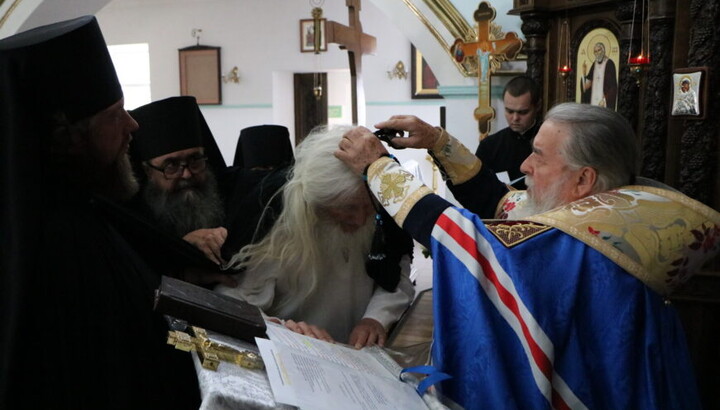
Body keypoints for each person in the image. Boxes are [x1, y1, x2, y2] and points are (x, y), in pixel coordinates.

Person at [334, 103, 720, 408]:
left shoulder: (580, 247)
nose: (523, 166)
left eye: (538, 156)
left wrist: (377, 167)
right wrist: (437, 140)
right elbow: (500, 201)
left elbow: (465, 241)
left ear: (583, 179)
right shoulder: (602, 212)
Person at [0, 16, 200, 408]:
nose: (132, 124)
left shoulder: (86, 212)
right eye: (115, 114)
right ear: (69, 136)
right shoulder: (56, 246)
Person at [217, 126, 415, 348]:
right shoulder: (276, 223)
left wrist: (376, 317)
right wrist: (281, 328)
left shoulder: (378, 216)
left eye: (368, 208)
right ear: (319, 199)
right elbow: (232, 299)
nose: (359, 220)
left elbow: (396, 270)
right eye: (348, 208)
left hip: (358, 354)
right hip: (292, 353)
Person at [129, 96, 229, 265]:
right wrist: (181, 249)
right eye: (171, 166)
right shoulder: (135, 226)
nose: (187, 174)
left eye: (195, 160)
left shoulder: (232, 201)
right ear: (148, 171)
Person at [477, 75, 541, 189]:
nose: (515, 118)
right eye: (509, 111)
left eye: (523, 112)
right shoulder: (489, 146)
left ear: (537, 107)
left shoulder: (550, 141)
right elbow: (478, 188)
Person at [581, 42, 618, 110]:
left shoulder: (609, 63)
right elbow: (587, 86)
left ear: (603, 50)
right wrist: (584, 72)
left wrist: (604, 100)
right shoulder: (594, 64)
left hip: (603, 103)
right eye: (595, 51)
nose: (597, 53)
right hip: (593, 102)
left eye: (599, 50)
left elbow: (613, 87)